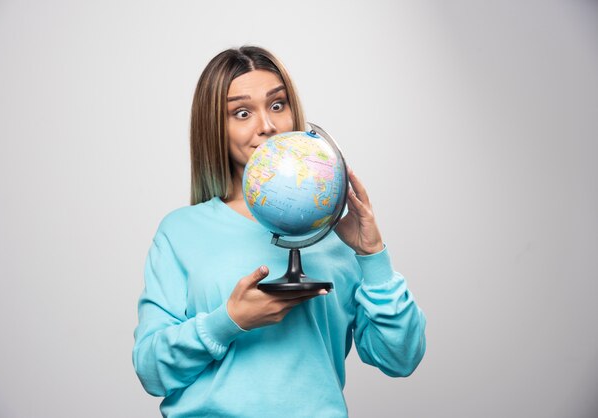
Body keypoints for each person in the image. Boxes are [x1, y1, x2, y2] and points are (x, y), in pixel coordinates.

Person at [132, 46, 427, 418]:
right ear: (214, 129)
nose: (267, 126)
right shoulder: (180, 232)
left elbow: (400, 358)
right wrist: (229, 320)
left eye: (277, 105)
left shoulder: (336, 232)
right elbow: (151, 371)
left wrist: (372, 255)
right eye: (242, 113)